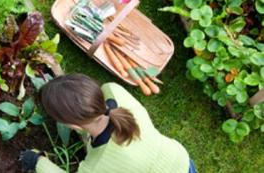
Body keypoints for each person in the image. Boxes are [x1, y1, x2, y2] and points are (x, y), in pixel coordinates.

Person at [19, 74, 196, 173]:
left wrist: (37, 161)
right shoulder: (114, 91)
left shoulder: (98, 166)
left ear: (75, 127)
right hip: (181, 161)